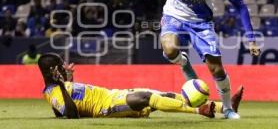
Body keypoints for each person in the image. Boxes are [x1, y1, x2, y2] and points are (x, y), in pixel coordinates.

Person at [104, 0, 260, 119]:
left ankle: (227, 108)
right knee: (169, 49)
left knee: (216, 68)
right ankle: (183, 63)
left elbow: (239, 4)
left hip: (201, 23)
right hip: (173, 17)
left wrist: (251, 38)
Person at [38, 53, 243, 119]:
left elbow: (66, 107)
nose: (65, 66)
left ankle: (225, 108)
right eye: (61, 65)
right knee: (146, 97)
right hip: (106, 107)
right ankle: (200, 110)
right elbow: (70, 115)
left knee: (166, 95)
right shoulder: (51, 92)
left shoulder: (62, 86)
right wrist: (62, 85)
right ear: (52, 71)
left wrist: (68, 81)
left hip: (112, 95)